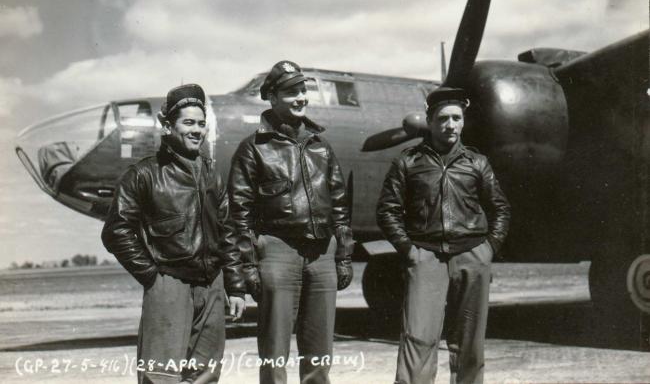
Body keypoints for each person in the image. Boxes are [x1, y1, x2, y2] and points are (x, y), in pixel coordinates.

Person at [102, 84, 246, 383]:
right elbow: (117, 230)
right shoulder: (143, 174)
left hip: (212, 286)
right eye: (188, 123)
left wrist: (235, 286)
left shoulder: (211, 174)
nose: (197, 130)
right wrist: (153, 277)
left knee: (205, 375)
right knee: (160, 377)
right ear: (167, 126)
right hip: (169, 282)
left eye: (202, 124)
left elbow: (227, 232)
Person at [229, 60, 354, 384]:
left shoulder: (321, 147)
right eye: (290, 92)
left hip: (322, 254)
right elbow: (239, 214)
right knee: (274, 354)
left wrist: (342, 256)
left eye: (302, 90)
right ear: (271, 97)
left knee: (319, 355)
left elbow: (340, 204)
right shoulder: (251, 150)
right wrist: (249, 267)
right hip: (277, 252)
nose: (300, 97)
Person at [376, 86, 510, 384]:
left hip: (472, 255)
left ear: (463, 121)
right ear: (430, 121)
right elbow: (387, 210)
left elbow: (500, 208)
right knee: (418, 339)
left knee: (470, 342)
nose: (450, 125)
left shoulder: (478, 163)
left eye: (456, 118)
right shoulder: (407, 161)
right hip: (425, 257)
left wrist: (488, 249)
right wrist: (410, 251)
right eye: (443, 119)